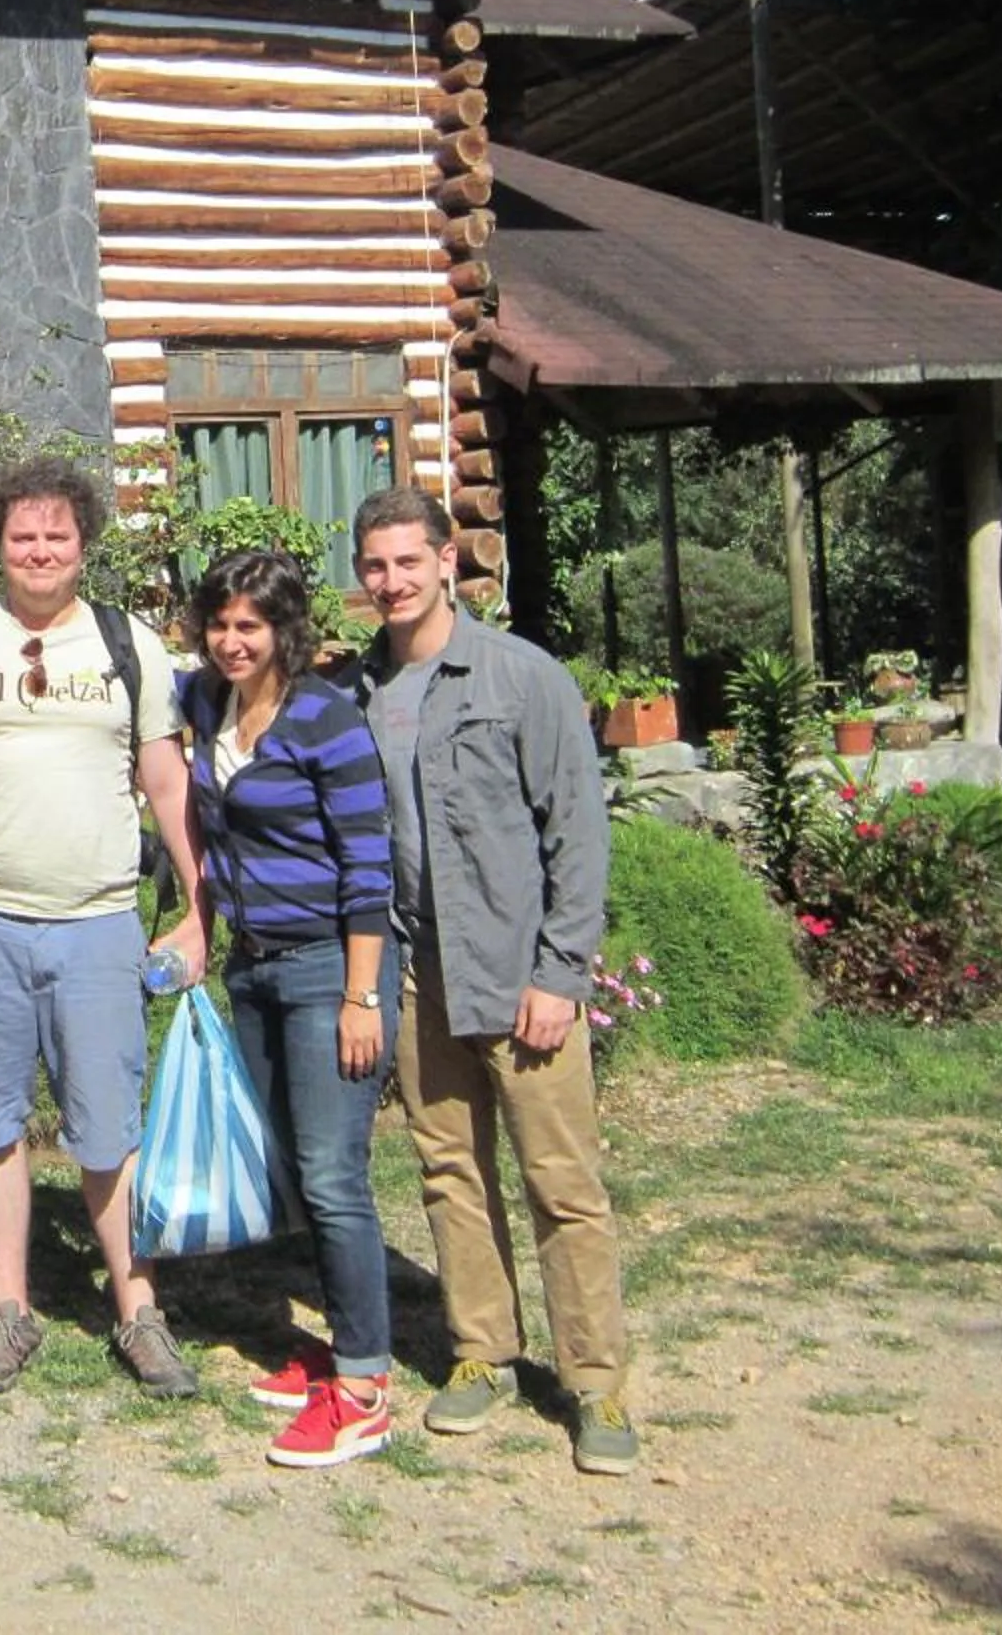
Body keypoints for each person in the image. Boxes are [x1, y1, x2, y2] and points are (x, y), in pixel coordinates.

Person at [343, 486, 636, 1476]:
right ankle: (481, 1352)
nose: (390, 581)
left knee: (562, 1183)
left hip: (518, 976)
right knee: (449, 1172)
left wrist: (562, 972)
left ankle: (594, 1381)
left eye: (406, 562)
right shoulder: (357, 695)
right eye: (374, 566)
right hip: (419, 974)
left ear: (446, 560)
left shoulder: (521, 679)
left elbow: (579, 836)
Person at [0, 455, 206, 1398]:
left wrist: (201, 909)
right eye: (23, 535)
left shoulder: (130, 646)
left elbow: (166, 782)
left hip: (97, 922)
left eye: (58, 536)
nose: (40, 551)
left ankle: (137, 1311)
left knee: (108, 1123)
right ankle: (9, 1311)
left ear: (84, 546)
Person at [177, 547, 398, 1467]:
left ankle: (364, 1388)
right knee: (293, 1171)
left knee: (336, 1177)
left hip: (325, 974)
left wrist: (359, 996)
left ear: (284, 631)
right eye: (220, 624)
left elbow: (368, 867)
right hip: (251, 970)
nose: (232, 642)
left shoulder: (325, 719)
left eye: (250, 627)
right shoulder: (203, 705)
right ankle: (333, 1345)